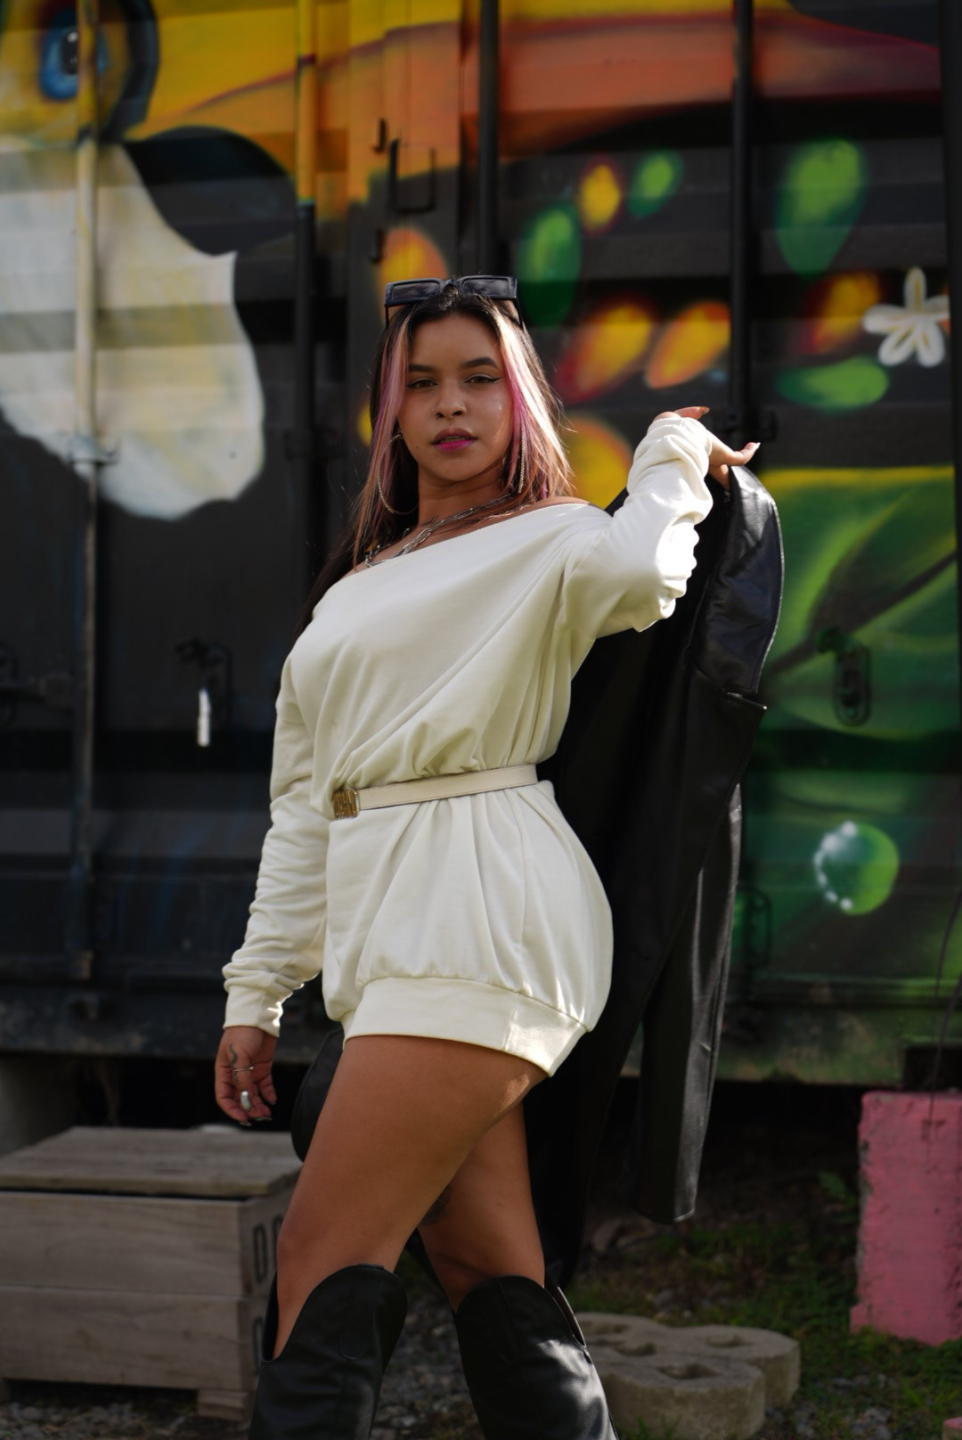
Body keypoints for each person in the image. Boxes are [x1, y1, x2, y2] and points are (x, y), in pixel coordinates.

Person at [213, 274, 761, 1440]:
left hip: (486, 915)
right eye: (420, 384)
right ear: (390, 411)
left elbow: (640, 580)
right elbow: (306, 808)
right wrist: (257, 992)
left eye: (478, 379)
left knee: (319, 1254)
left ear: (520, 401)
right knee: (484, 1267)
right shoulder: (356, 586)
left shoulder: (554, 539)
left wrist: (669, 454)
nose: (449, 405)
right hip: (390, 931)